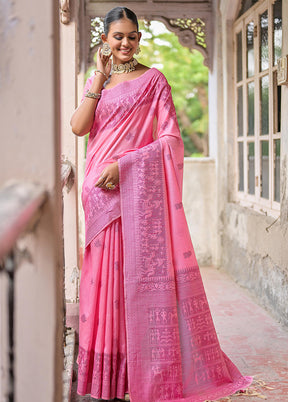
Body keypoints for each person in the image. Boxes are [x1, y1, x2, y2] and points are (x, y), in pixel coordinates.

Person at [70, 7, 253, 402]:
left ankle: (138, 377)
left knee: (130, 285)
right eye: (118, 36)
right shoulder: (97, 81)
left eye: (132, 36)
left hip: (133, 194)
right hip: (100, 198)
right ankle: (106, 379)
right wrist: (99, 77)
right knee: (101, 284)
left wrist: (126, 165)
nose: (125, 43)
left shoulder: (153, 81)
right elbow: (79, 127)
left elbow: (171, 141)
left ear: (139, 38)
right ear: (106, 38)